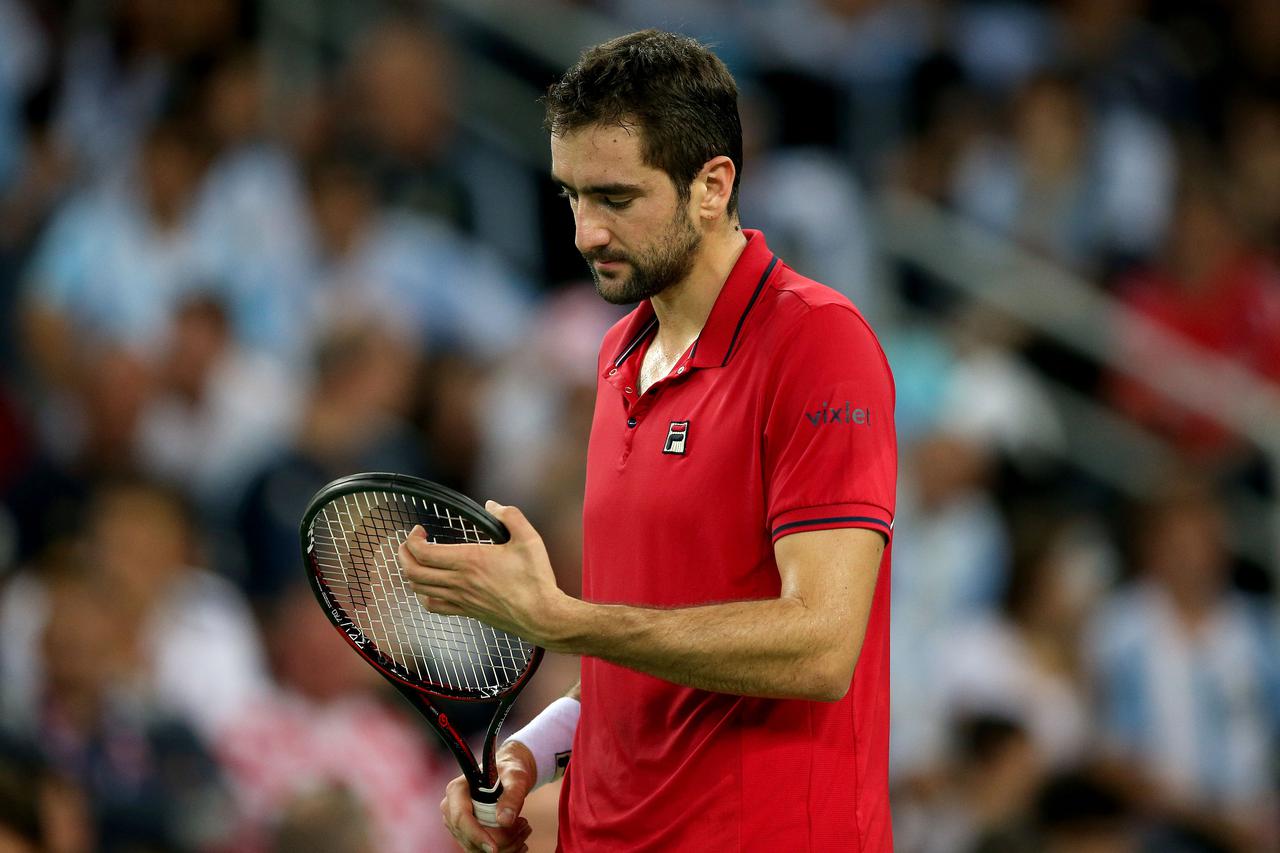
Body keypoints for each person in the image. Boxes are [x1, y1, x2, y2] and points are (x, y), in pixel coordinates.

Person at [398, 30, 897, 852]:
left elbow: (820, 646)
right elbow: (647, 650)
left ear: (712, 185)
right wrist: (540, 745)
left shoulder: (819, 344)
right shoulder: (616, 354)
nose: (585, 233)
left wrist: (562, 620)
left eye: (616, 199)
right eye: (571, 197)